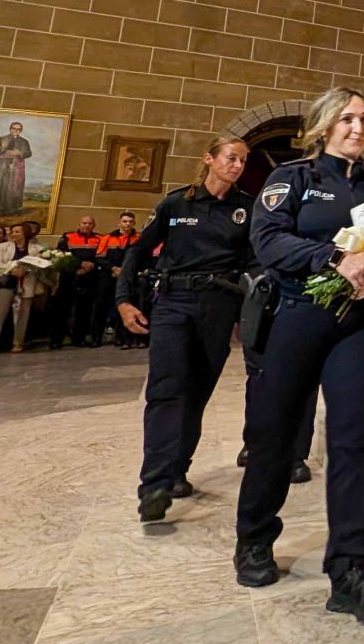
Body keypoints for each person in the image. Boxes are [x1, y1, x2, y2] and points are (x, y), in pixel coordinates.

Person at [234, 88, 364, 621]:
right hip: (298, 318)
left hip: (361, 327)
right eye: (346, 119)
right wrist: (333, 256)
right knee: (276, 436)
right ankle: (255, 538)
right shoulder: (293, 179)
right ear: (322, 126)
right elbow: (268, 241)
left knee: (353, 441)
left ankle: (351, 569)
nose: (357, 127)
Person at [116, 137, 255, 523]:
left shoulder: (246, 209)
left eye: (243, 160)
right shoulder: (178, 204)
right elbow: (138, 252)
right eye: (231, 158)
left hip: (219, 305)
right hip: (174, 303)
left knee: (197, 391)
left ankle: (177, 470)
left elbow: (256, 260)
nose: (237, 165)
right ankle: (154, 485)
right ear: (209, 159)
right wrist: (124, 300)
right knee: (166, 390)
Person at [0, 222, 46, 354]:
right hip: (6, 282)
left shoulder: (36, 248)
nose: (13, 234)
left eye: (17, 231)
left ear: (25, 233)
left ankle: (18, 342)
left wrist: (26, 270)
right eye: (12, 231)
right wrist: (12, 270)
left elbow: (40, 265)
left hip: (26, 283)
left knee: (22, 315)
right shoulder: (3, 246)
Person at [53, 215, 105, 348]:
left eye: (89, 223)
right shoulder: (68, 236)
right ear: (79, 224)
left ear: (94, 225)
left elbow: (102, 256)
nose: (86, 225)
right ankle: (56, 339)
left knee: (84, 310)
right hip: (70, 276)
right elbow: (61, 255)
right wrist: (78, 265)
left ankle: (79, 338)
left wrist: (91, 265)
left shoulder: (100, 238)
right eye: (84, 223)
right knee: (62, 309)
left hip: (90, 278)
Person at [98, 212, 146, 349]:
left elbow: (144, 257)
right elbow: (100, 257)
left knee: (136, 306)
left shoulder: (139, 238)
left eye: (130, 221)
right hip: (112, 276)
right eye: (125, 221)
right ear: (119, 223)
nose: (127, 224)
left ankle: (138, 338)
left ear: (134, 223)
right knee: (117, 307)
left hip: (134, 277)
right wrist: (113, 268)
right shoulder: (108, 238)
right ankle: (121, 339)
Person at [0, 122, 34, 216]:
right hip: (2, 167)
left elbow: (28, 154)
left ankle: (14, 208)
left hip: (17, 167)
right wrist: (4, 150)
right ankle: (0, 208)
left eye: (19, 129)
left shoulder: (24, 141)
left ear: (21, 130)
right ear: (10, 128)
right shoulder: (1, 139)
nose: (16, 131)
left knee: (15, 187)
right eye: (14, 128)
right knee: (2, 186)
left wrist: (19, 153)